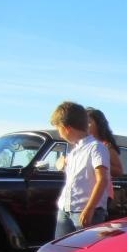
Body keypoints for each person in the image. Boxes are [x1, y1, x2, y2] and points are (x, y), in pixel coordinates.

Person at [51, 101, 111, 238]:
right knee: (61, 247)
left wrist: (89, 209)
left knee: (85, 246)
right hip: (66, 208)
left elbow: (102, 180)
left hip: (86, 210)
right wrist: (62, 165)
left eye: (59, 129)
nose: (60, 135)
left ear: (67, 128)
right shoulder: (74, 151)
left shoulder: (96, 147)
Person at [87, 107, 123, 206]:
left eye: (89, 123)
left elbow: (119, 170)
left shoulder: (106, 145)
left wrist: (99, 164)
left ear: (99, 125)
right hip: (86, 193)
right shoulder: (84, 146)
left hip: (102, 194)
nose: (85, 126)